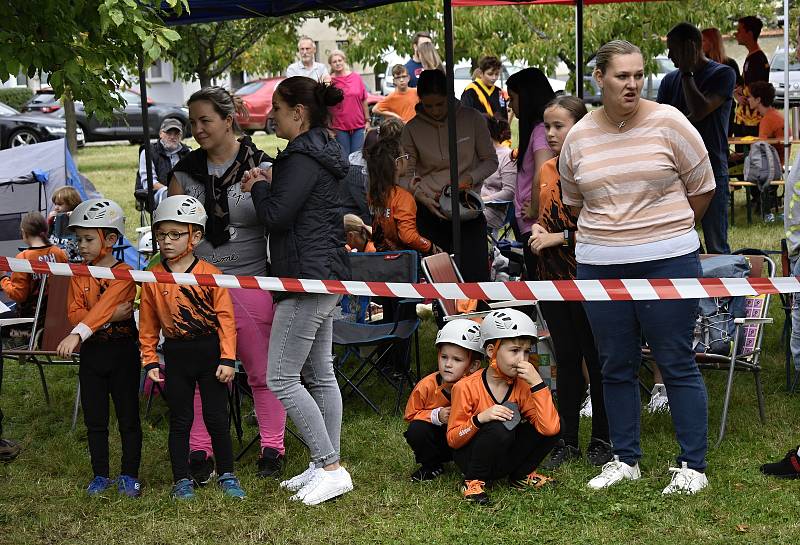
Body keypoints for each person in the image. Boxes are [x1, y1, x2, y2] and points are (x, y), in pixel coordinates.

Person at [560, 40, 716, 495]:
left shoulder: (670, 121)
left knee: (676, 360)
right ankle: (624, 458)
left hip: (670, 260)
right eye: (621, 75)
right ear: (599, 79)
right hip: (600, 265)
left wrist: (669, 233)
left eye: (638, 74)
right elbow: (573, 202)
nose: (632, 83)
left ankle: (693, 466)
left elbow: (702, 187)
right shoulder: (579, 136)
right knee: (615, 364)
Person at [240, 75, 353, 506]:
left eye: (278, 109)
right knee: (319, 372)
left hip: (306, 277)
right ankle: (324, 464)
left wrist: (260, 186)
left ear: (298, 113)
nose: (271, 116)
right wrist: (274, 177)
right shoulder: (321, 150)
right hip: (323, 273)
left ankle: (329, 465)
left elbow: (277, 216)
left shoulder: (301, 158)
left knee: (281, 377)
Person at [167, 86, 286, 484]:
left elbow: (280, 220)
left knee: (261, 372)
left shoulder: (264, 165)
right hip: (198, 286)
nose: (197, 129)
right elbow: (173, 234)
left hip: (250, 281)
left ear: (228, 119)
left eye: (205, 120)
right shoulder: (183, 173)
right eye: (192, 122)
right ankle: (199, 451)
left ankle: (273, 446)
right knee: (200, 373)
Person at [139, 195, 245, 500]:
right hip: (176, 354)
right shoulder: (152, 277)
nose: (167, 241)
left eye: (175, 234)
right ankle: (181, 480)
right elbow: (147, 325)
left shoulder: (212, 275)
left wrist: (228, 358)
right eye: (161, 235)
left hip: (210, 353)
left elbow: (226, 319)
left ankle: (227, 473)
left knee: (215, 417)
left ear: (195, 236)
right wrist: (149, 360)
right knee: (181, 419)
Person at [526, 96, 612, 470]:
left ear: (581, 126)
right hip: (552, 279)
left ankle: (603, 439)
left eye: (559, 125)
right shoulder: (545, 169)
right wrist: (537, 229)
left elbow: (605, 228)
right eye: (547, 125)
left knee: (596, 360)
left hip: (588, 277)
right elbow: (537, 215)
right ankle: (566, 440)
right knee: (565, 357)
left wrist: (558, 238)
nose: (551, 132)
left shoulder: (594, 168)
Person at [54, 199, 142, 497]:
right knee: (95, 419)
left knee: (128, 417)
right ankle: (100, 475)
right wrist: (105, 320)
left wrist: (83, 329)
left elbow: (102, 307)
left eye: (88, 239)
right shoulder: (79, 274)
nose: (81, 245)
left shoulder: (126, 273)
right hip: (93, 355)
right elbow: (76, 313)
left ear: (112, 238)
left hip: (123, 353)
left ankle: (129, 475)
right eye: (78, 239)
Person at [447, 308, 559, 505]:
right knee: (499, 427)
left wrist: (537, 385)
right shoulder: (465, 387)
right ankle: (471, 482)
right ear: (492, 351)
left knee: (558, 422)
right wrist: (479, 419)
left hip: (504, 457)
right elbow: (453, 441)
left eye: (526, 352)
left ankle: (521, 476)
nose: (522, 360)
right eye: (514, 351)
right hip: (472, 458)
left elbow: (549, 429)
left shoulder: (524, 384)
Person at [399, 69, 498, 282]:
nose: (435, 111)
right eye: (428, 106)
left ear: (449, 96)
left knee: (474, 277)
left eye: (440, 104)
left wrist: (469, 179)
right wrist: (421, 196)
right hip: (431, 210)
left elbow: (490, 161)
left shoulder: (472, 119)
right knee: (438, 280)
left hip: (468, 207)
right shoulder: (412, 129)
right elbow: (404, 175)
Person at [658, 22, 736, 255]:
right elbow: (663, 124)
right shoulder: (668, 81)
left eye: (673, 49)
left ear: (690, 46)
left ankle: (724, 291)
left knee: (716, 243)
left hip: (711, 169)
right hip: (676, 173)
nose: (669, 55)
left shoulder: (723, 74)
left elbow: (700, 109)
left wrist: (686, 72)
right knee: (678, 240)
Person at [404, 319, 482, 482]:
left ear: (473, 365)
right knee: (417, 429)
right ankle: (431, 465)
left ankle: (474, 467)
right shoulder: (426, 385)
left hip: (466, 440)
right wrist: (436, 416)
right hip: (439, 440)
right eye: (444, 357)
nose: (448, 364)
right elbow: (410, 416)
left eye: (457, 360)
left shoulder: (478, 387)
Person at [506, 67, 556, 278]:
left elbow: (542, 170)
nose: (510, 104)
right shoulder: (536, 130)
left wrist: (535, 207)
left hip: (534, 222)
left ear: (526, 97)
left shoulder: (539, 131)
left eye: (513, 98)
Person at [366, 136, 437, 254]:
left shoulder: (372, 194)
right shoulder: (403, 198)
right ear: (397, 163)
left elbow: (391, 209)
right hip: (403, 262)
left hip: (379, 258)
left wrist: (409, 194)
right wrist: (430, 246)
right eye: (405, 156)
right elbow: (408, 236)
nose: (407, 159)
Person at [1, 212, 68, 319]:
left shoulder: (23, 258)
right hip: (57, 314)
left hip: (31, 318)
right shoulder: (59, 253)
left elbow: (18, 295)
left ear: (24, 233)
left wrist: (3, 278)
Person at [136, 118, 191, 208]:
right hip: (158, 194)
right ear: (161, 134)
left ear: (181, 136)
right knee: (168, 197)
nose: (172, 137)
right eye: (169, 133)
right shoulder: (148, 152)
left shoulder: (188, 152)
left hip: (185, 195)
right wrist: (171, 192)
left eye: (176, 133)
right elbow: (149, 183)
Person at [733, 16, 770, 139]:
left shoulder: (758, 59)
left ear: (749, 34)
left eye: (739, 31)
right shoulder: (751, 56)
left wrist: (740, 92)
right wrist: (736, 92)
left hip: (752, 121)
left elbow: (757, 88)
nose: (735, 34)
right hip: (745, 119)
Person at [329, 50, 369, 158]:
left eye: (339, 60)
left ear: (344, 61)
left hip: (358, 125)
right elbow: (327, 106)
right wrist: (328, 126)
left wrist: (367, 120)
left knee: (357, 158)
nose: (337, 63)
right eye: (334, 62)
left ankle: (356, 176)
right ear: (331, 64)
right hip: (339, 126)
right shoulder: (329, 81)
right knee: (344, 157)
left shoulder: (356, 77)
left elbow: (364, 100)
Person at [480, 116, 516, 230]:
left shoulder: (506, 156)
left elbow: (509, 193)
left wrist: (481, 200)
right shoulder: (477, 154)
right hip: (473, 206)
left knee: (456, 219)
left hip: (493, 211)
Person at [702, 27, 740, 137]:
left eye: (703, 41)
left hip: (725, 113)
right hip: (706, 114)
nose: (700, 45)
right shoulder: (700, 65)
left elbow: (738, 86)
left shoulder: (729, 64)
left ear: (712, 42)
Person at [461, 56, 508, 121]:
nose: (494, 78)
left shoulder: (499, 92)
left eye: (497, 74)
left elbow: (504, 116)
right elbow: (465, 115)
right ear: (481, 73)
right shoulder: (471, 90)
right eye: (490, 74)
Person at [748, 81, 785, 164]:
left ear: (758, 100)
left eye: (749, 96)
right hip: (778, 161)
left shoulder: (768, 120)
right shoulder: (775, 114)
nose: (748, 99)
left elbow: (760, 149)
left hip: (770, 166)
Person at [48, 186, 83, 262]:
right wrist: (49, 222)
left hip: (74, 259)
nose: (56, 208)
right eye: (55, 204)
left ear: (71, 203)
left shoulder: (80, 217)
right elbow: (46, 236)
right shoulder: (55, 217)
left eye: (60, 204)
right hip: (54, 257)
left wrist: (75, 219)